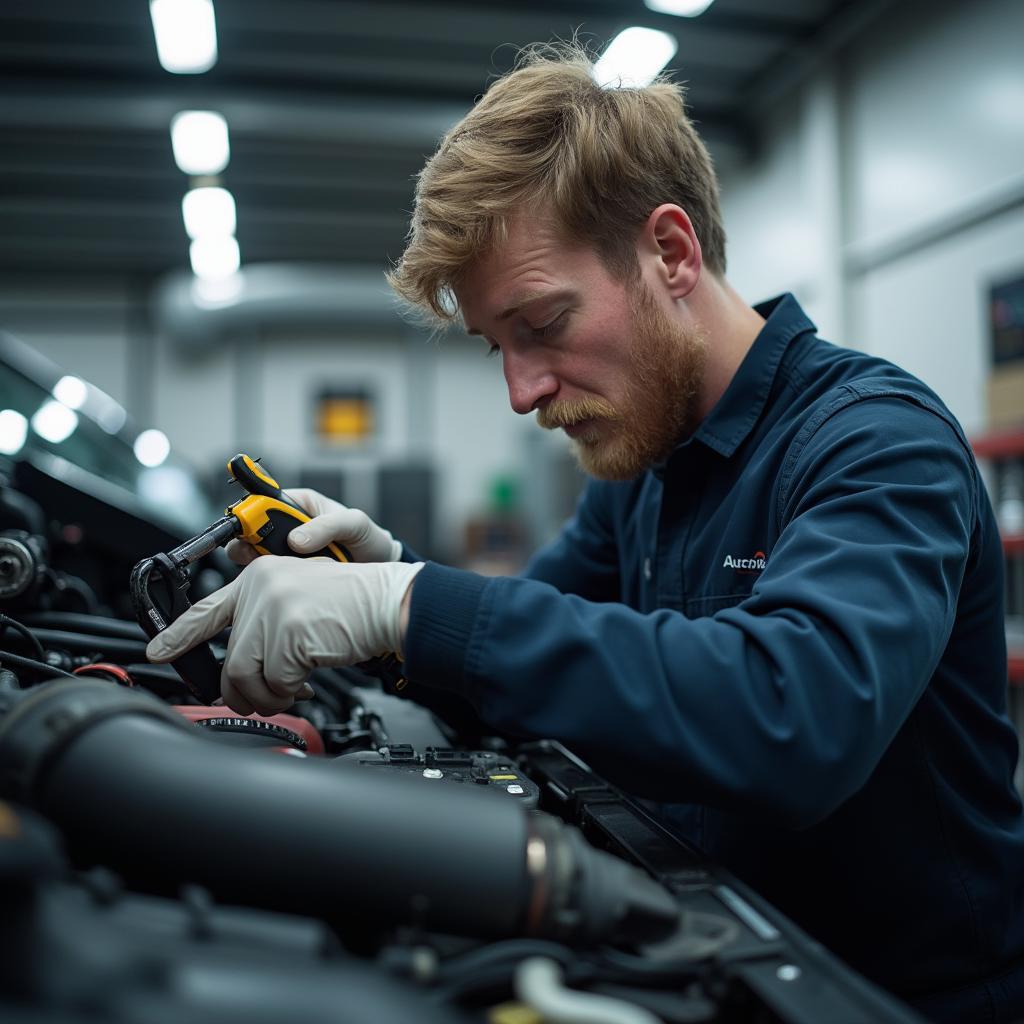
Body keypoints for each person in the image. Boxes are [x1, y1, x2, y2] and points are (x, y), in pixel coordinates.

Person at [147, 45, 1024, 1022]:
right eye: (499, 348)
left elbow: (795, 713)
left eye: (543, 324)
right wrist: (386, 579)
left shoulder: (875, 437)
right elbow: (523, 660)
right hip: (704, 954)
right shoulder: (642, 466)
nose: (522, 393)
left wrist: (410, 604)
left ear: (670, 253)